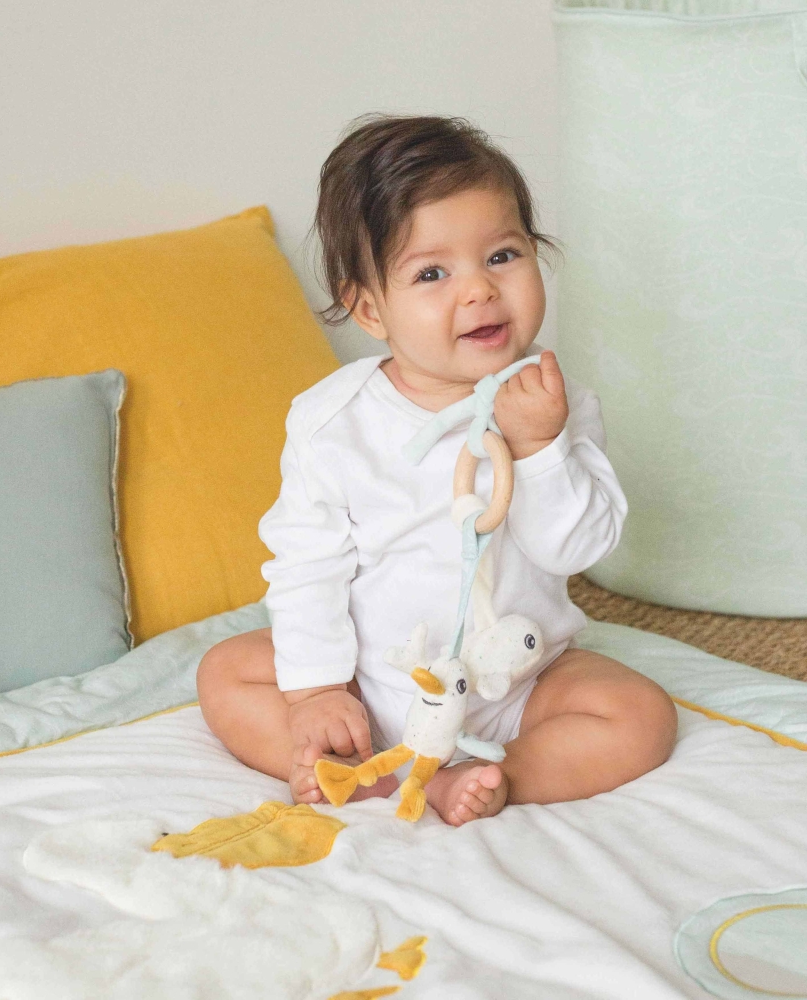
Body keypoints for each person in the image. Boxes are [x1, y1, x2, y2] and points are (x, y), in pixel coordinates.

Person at [197, 114, 677, 826]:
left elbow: (579, 549)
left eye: (503, 256)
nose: (479, 290)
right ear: (368, 307)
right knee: (226, 673)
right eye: (432, 273)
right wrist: (317, 693)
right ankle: (355, 765)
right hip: (373, 683)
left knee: (640, 715)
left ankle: (492, 774)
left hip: (517, 678)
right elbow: (306, 566)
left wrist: (542, 446)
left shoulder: (556, 402)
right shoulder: (335, 421)